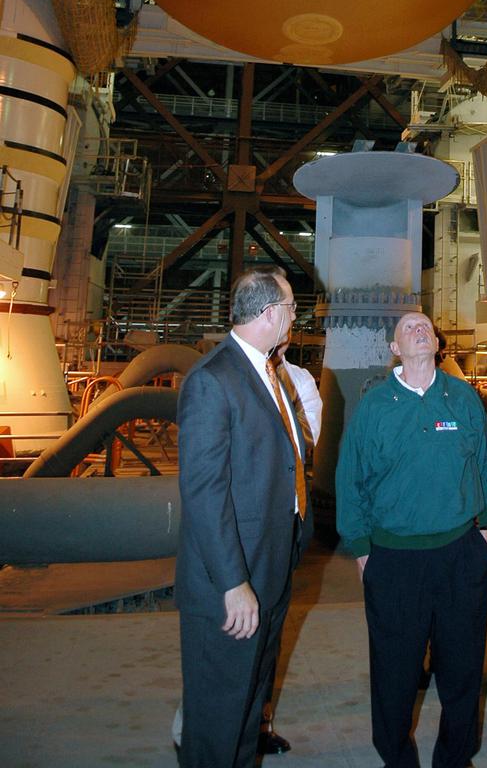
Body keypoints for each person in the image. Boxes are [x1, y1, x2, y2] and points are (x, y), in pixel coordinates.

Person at [335, 310, 487, 768]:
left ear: (437, 342)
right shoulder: (375, 406)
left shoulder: (462, 398)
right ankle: (397, 758)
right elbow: (350, 480)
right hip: (394, 560)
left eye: (425, 325)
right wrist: (363, 548)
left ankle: (455, 758)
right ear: (395, 349)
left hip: (459, 554)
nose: (419, 329)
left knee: (463, 669)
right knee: (394, 672)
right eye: (408, 327)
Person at [175, 268, 310, 768]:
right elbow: (204, 493)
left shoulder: (264, 371)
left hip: (270, 570)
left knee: (249, 710)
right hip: (231, 587)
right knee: (217, 719)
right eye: (292, 308)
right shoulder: (213, 380)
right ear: (271, 314)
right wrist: (234, 583)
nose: (295, 317)